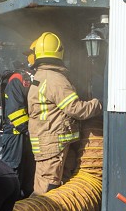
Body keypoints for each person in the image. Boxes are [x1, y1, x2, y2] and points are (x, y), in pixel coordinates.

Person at [26, 32, 101, 194]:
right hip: (54, 143)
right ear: (59, 52)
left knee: (58, 190)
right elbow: (76, 109)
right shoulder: (54, 79)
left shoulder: (41, 76)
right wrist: (98, 104)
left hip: (49, 141)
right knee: (47, 191)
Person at [0, 48, 35, 198]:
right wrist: (29, 129)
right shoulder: (17, 79)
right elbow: (15, 111)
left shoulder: (31, 79)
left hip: (25, 134)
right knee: (12, 172)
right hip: (15, 135)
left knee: (27, 172)